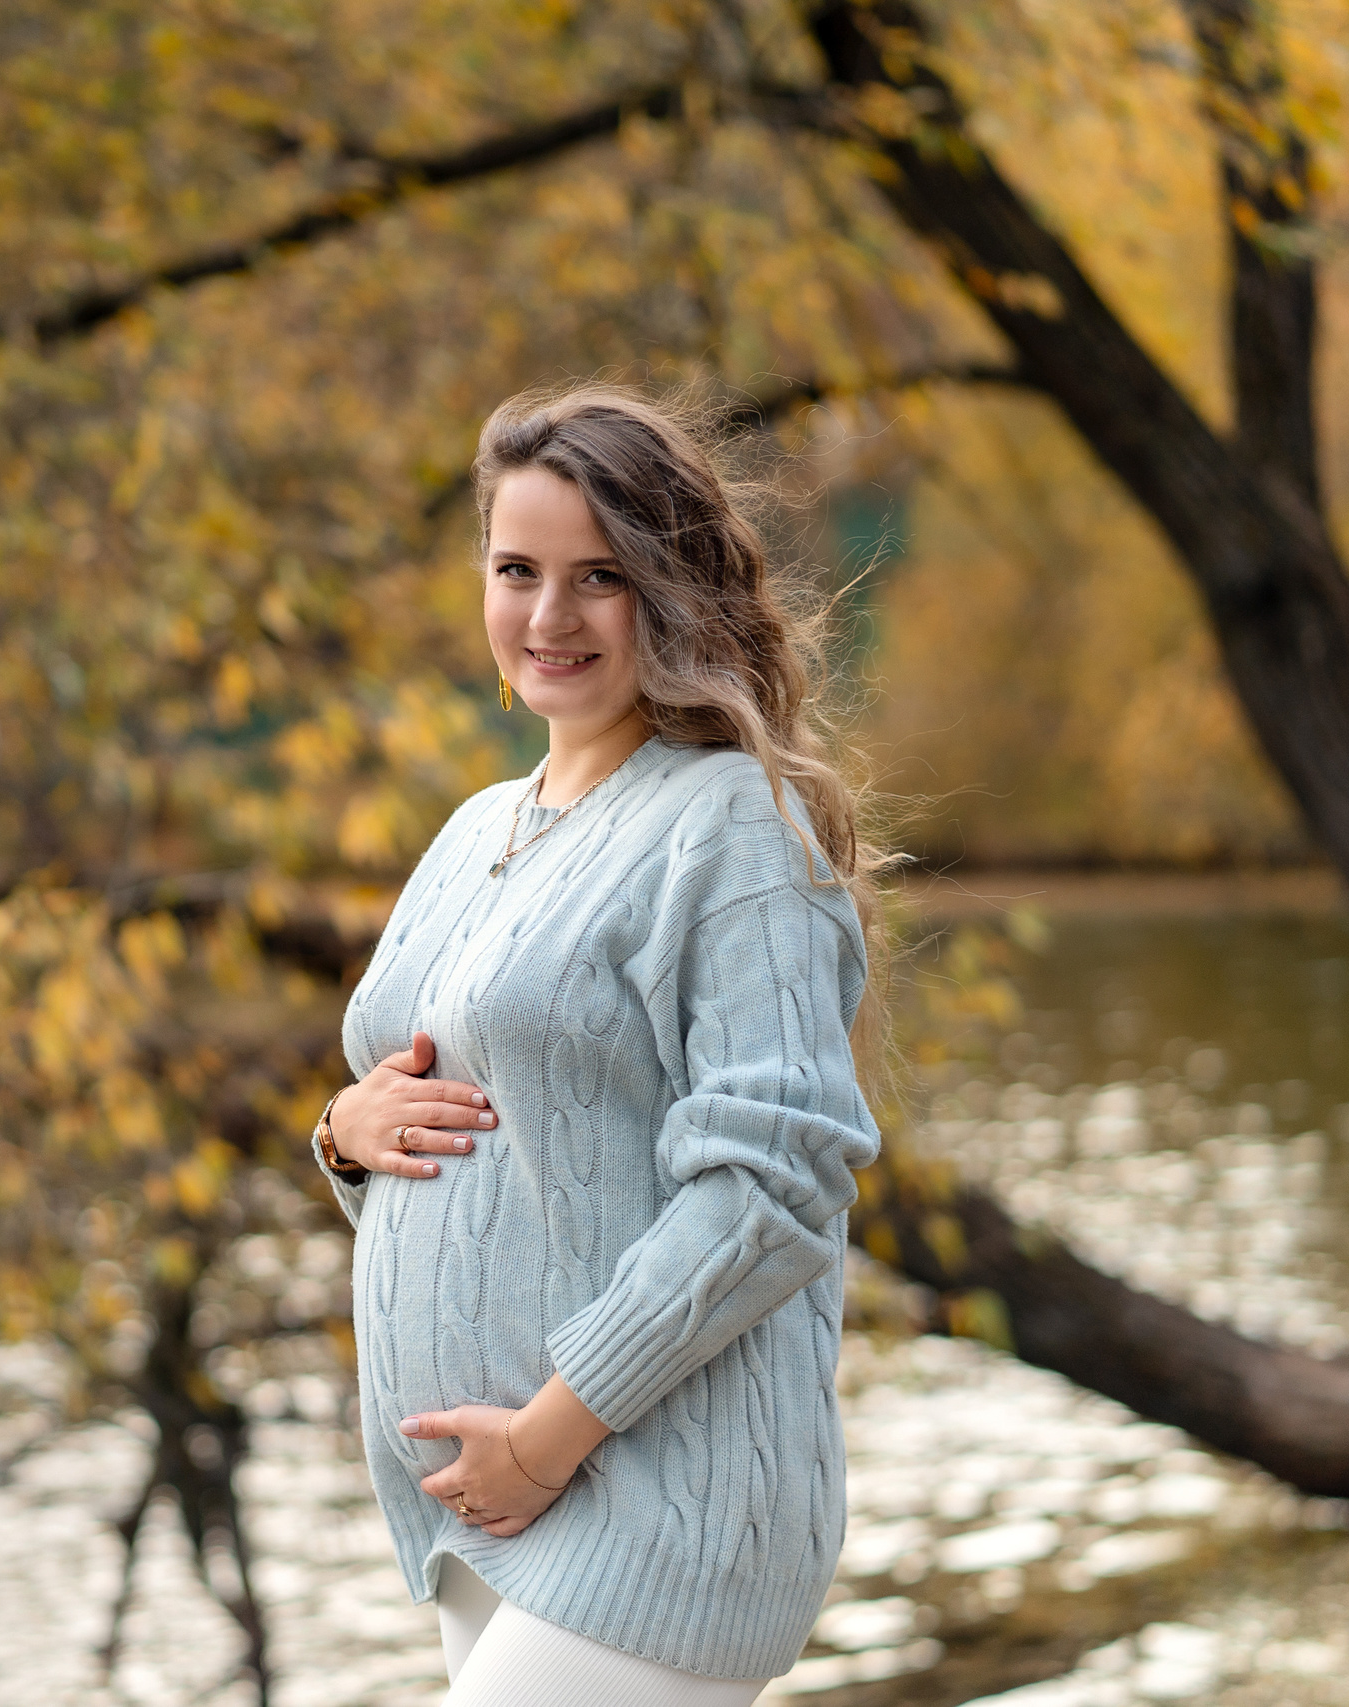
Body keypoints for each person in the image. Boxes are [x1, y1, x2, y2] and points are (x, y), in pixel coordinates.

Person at [309, 382, 884, 1706]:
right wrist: (342, 1135)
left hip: (653, 1495)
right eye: (518, 571)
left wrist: (550, 1437)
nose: (549, 617)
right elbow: (468, 1130)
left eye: (600, 578)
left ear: (675, 592)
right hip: (490, 1503)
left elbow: (772, 1191)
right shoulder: (476, 830)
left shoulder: (732, 824)